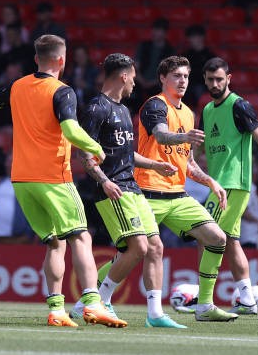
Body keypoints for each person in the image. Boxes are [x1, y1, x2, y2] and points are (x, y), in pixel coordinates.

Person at [0, 34, 125, 328]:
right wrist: (96, 148)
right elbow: (71, 130)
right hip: (53, 178)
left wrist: (11, 94)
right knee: (81, 237)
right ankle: (92, 303)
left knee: (55, 243)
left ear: (36, 58)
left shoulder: (18, 86)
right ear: (62, 59)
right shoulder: (63, 91)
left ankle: (56, 309)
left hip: (22, 179)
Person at [99, 55, 237, 322]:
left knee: (218, 239)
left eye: (185, 76)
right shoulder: (155, 106)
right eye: (176, 76)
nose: (182, 81)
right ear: (163, 78)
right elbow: (162, 135)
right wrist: (184, 136)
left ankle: (204, 306)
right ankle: (92, 294)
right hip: (146, 192)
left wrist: (211, 181)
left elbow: (187, 161)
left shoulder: (188, 113)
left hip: (177, 195)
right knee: (134, 252)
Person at [73, 52, 185, 328]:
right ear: (123, 76)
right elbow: (83, 154)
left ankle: (155, 314)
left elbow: (125, 152)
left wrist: (154, 165)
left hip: (132, 186)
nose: (135, 83)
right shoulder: (96, 108)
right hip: (113, 188)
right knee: (137, 246)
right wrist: (104, 181)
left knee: (154, 245)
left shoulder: (123, 110)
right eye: (133, 77)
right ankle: (101, 300)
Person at [198, 57, 258, 314]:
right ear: (204, 79)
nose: (215, 84)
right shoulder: (207, 109)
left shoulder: (239, 105)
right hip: (218, 185)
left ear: (229, 78)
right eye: (210, 79)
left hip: (234, 184)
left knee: (207, 235)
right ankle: (248, 299)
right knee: (232, 241)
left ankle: (203, 298)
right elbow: (206, 146)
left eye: (219, 79)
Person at [182, 24, 215, 110]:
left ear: (201, 37)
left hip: (203, 86)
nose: (192, 40)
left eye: (194, 37)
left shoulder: (209, 55)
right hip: (188, 84)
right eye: (191, 37)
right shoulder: (186, 55)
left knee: (198, 90)